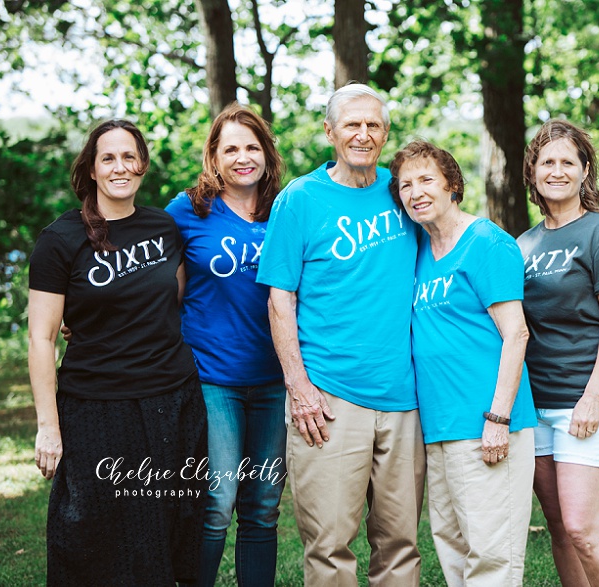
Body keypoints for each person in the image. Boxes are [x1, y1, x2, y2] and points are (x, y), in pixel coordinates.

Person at [255, 84, 425, 586]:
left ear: (386, 133)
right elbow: (279, 299)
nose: (363, 134)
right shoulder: (300, 200)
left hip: (403, 397)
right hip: (328, 398)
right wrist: (300, 388)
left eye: (373, 125)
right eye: (352, 124)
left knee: (400, 544)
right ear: (330, 132)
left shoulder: (404, 192)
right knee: (329, 546)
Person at [27, 119, 207, 586]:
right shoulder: (60, 240)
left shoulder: (163, 227)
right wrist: (49, 427)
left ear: (143, 165)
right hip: (96, 408)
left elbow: (176, 299)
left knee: (172, 525)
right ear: (91, 168)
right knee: (92, 532)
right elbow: (41, 338)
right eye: (108, 158)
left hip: (173, 400)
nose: (120, 167)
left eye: (129, 156)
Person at [389, 140, 537, 586]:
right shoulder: (419, 252)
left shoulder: (486, 242)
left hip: (486, 424)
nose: (415, 191)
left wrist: (498, 418)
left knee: (492, 558)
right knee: (453, 550)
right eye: (405, 185)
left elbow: (517, 333)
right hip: (439, 427)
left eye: (426, 179)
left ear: (452, 184)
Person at [166, 103, 286, 587]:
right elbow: (149, 281)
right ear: (213, 157)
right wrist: (92, 318)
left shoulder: (286, 210)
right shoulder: (187, 210)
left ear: (266, 154)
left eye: (252, 147)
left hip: (277, 379)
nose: (243, 157)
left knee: (263, 504)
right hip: (212, 377)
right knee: (217, 500)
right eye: (230, 148)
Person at [517, 120, 599, 587]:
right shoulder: (523, 244)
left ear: (584, 171)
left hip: (589, 401)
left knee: (584, 528)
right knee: (559, 530)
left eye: (568, 162)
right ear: (533, 172)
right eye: (547, 162)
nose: (557, 170)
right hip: (536, 403)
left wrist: (591, 397)